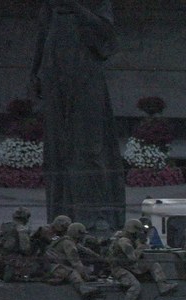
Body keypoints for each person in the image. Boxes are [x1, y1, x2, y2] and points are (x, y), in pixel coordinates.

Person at [31, 0, 125, 234]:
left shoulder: (97, 3)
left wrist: (77, 8)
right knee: (59, 150)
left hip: (86, 79)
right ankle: (61, 215)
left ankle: (97, 214)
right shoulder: (50, 7)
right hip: (56, 80)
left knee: (90, 149)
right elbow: (42, 39)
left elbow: (108, 36)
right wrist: (35, 72)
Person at [107, 219, 178, 300]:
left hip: (128, 265)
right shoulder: (124, 241)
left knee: (153, 264)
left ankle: (163, 285)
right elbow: (133, 257)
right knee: (135, 286)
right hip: (119, 268)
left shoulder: (128, 238)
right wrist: (141, 246)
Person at [44, 222, 100, 299]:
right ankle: (83, 289)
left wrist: (100, 258)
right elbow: (76, 262)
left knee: (85, 270)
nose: (83, 237)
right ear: (77, 234)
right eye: (82, 234)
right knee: (72, 272)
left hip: (55, 266)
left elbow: (85, 250)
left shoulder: (68, 240)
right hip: (53, 267)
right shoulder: (68, 243)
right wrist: (86, 277)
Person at [0, 207, 34, 281]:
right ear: (26, 218)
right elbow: (25, 248)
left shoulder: (4, 226)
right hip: (13, 262)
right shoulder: (22, 230)